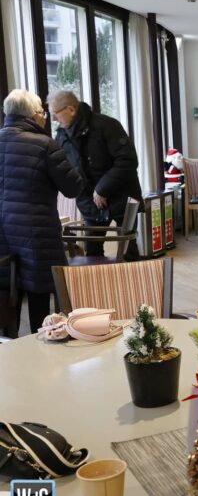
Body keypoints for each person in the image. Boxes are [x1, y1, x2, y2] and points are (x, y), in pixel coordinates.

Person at [0, 90, 83, 334]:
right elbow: (73, 187)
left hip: (3, 233)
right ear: (34, 115)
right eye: (43, 113)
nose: (45, 118)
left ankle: (8, 345)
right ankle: (41, 341)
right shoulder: (44, 145)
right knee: (38, 291)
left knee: (7, 289)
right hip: (36, 233)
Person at [49, 89, 142, 260]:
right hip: (90, 202)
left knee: (128, 251)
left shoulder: (106, 125)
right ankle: (98, 286)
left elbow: (127, 161)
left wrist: (102, 189)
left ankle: (132, 284)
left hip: (122, 197)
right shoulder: (61, 136)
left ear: (71, 110)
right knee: (92, 251)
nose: (54, 119)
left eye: (56, 113)